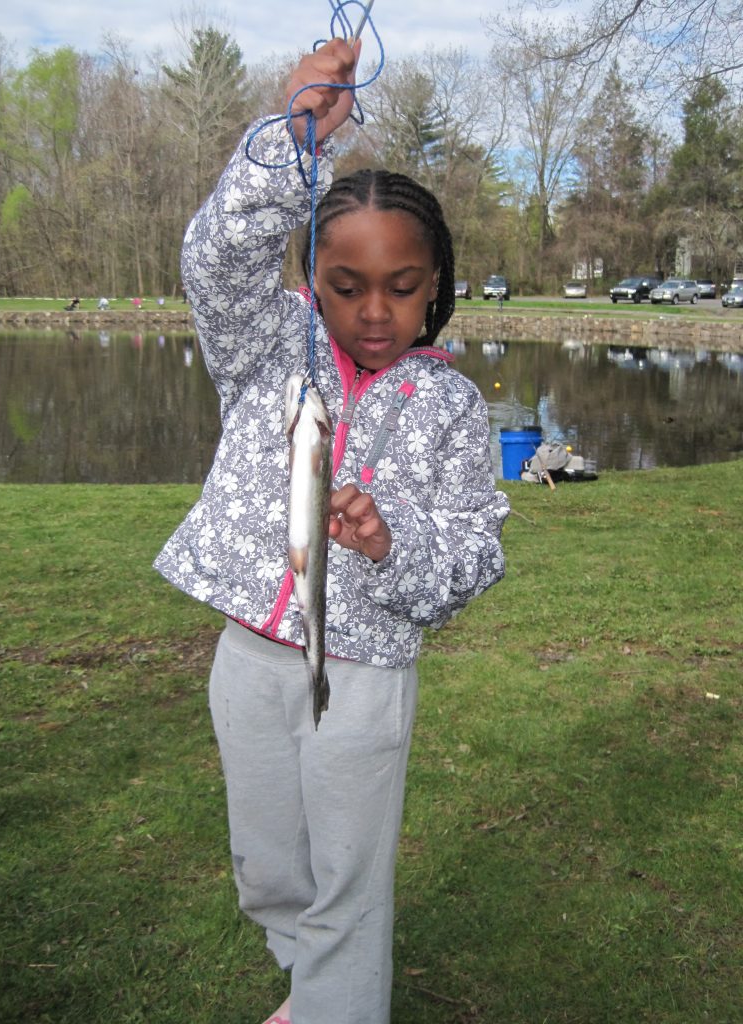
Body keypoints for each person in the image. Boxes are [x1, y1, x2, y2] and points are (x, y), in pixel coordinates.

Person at [154, 37, 509, 1024]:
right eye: (347, 285)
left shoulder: (449, 406)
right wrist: (295, 135)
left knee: (348, 887)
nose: (375, 310)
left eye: (402, 285)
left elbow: (474, 554)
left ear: (437, 283)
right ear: (312, 275)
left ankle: (337, 1006)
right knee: (268, 869)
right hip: (250, 658)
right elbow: (214, 255)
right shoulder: (267, 342)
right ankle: (311, 992)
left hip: (360, 677)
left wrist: (393, 544)